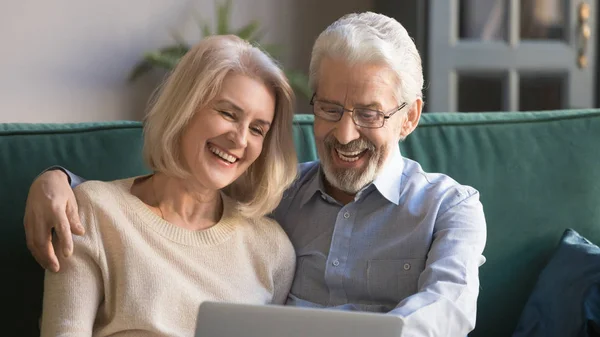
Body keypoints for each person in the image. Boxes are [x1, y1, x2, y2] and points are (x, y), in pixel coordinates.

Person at [25, 12, 487, 336]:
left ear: (409, 118)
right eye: (329, 108)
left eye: (370, 114)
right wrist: (58, 180)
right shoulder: (275, 196)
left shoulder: (450, 207)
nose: (346, 134)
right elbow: (168, 202)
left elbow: (450, 308)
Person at [36, 35, 298, 336]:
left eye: (257, 129)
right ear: (185, 108)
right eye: (228, 113)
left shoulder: (272, 249)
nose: (240, 140)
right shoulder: (94, 212)